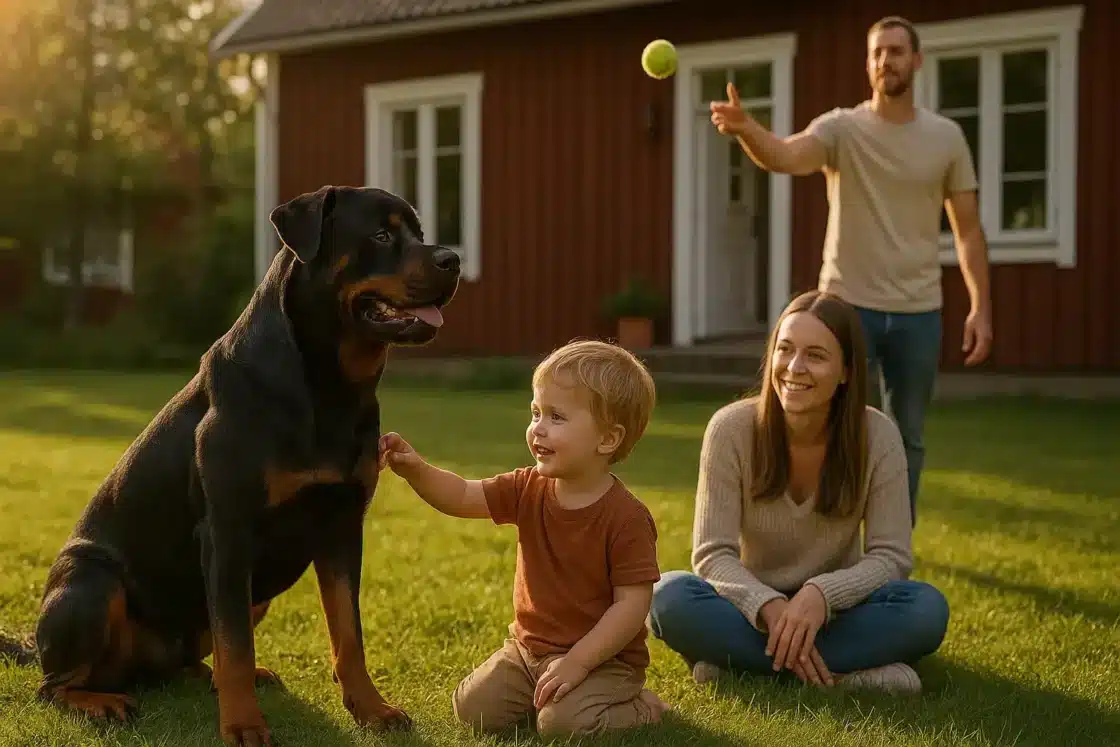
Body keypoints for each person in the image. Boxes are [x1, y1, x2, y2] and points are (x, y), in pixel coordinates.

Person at [710, 15, 993, 524]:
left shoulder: (946, 138)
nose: (887, 60)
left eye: (897, 51)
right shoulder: (842, 128)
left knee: (906, 436)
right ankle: (829, 536)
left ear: (917, 60)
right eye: (877, 52)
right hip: (845, 307)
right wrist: (748, 128)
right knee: (830, 427)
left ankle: (892, 545)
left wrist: (980, 307)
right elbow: (787, 156)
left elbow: (968, 230)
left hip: (918, 310)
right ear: (868, 64)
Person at [647, 290, 950, 694]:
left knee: (925, 610)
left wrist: (820, 595)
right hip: (751, 611)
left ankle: (740, 667)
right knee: (667, 597)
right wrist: (769, 606)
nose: (794, 367)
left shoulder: (878, 436)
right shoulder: (730, 429)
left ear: (846, 371)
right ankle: (845, 676)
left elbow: (891, 556)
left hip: (840, 611)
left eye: (816, 355)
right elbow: (712, 554)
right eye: (784, 350)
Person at [378, 339, 671, 738]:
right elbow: (463, 495)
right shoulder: (526, 488)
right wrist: (416, 470)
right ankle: (549, 694)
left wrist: (579, 662)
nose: (538, 429)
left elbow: (631, 607)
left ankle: (643, 708)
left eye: (556, 417)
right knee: (473, 710)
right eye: (536, 413)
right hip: (529, 651)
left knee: (562, 725)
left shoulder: (627, 518)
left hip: (605, 661)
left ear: (607, 439)